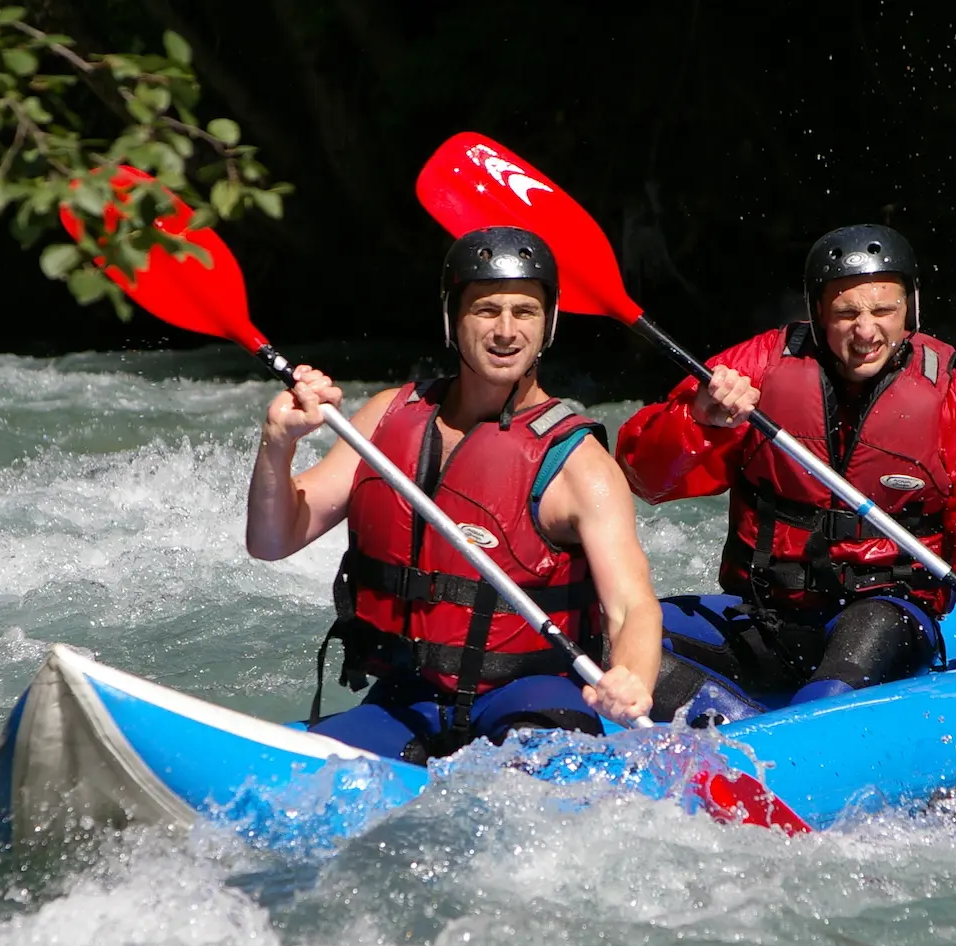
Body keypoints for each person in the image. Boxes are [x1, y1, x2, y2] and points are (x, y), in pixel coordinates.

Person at [246, 226, 661, 764]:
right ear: (452, 318)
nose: (507, 331)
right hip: (406, 697)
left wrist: (630, 675)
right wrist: (276, 446)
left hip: (530, 697)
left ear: (549, 322)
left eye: (526, 312)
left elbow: (631, 606)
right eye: (487, 310)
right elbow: (273, 540)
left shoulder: (578, 464)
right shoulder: (387, 418)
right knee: (296, 784)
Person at [615, 224, 956, 722]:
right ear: (817, 313)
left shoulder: (954, 405)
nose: (866, 330)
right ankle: (731, 722)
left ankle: (794, 729)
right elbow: (644, 478)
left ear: (911, 310)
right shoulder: (756, 369)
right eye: (846, 312)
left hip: (885, 617)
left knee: (850, 665)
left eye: (883, 310)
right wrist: (698, 419)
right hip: (766, 618)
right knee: (614, 634)